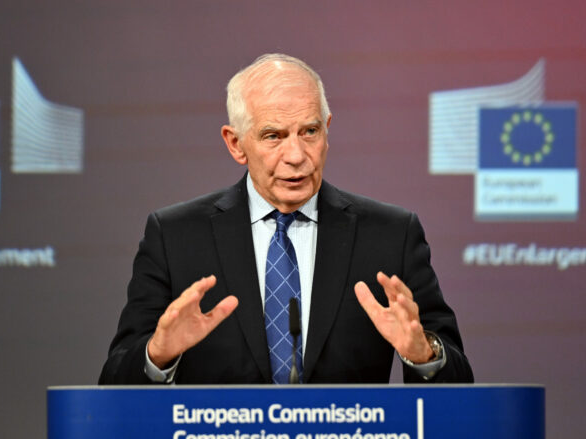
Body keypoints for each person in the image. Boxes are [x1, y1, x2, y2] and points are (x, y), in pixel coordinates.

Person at [99, 54, 473, 384]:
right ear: (235, 143)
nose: (296, 155)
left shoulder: (390, 235)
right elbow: (114, 384)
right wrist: (158, 356)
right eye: (273, 136)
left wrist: (424, 354)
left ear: (327, 129)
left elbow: (459, 383)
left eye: (310, 131)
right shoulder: (175, 237)